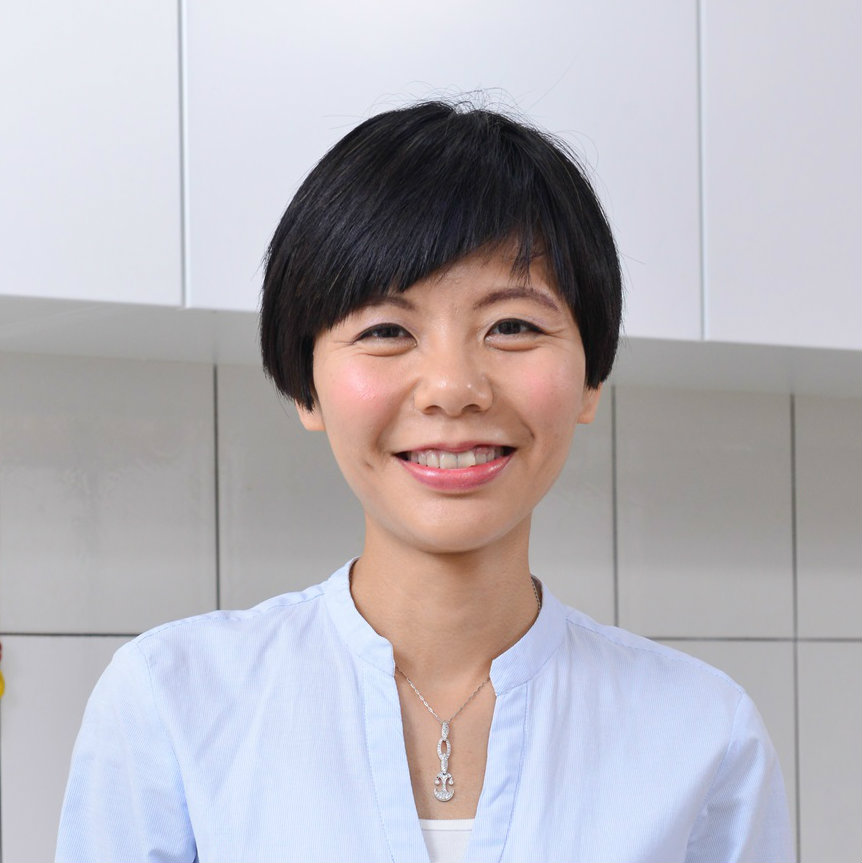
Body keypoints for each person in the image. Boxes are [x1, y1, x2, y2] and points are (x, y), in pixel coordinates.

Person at [56, 100, 793, 862]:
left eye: (512, 326)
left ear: (590, 378)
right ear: (307, 387)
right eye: (386, 330)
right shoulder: (171, 703)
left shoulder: (705, 735)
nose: (452, 387)